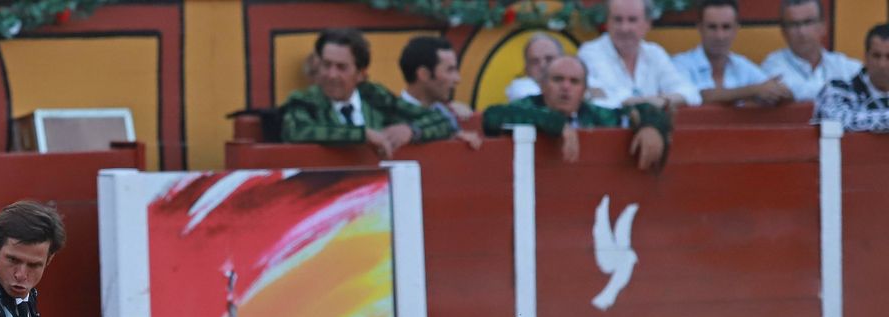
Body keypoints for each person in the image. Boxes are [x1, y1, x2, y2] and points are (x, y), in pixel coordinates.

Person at [278, 28, 457, 155]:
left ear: (361, 74)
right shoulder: (304, 101)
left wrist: (411, 130)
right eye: (326, 65)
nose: (331, 75)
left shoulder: (374, 97)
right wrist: (362, 135)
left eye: (342, 67)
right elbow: (297, 131)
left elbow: (441, 120)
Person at [482, 56, 670, 171]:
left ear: (585, 90)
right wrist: (556, 123)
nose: (566, 87)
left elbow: (641, 110)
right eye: (558, 79)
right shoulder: (528, 105)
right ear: (542, 84)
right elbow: (492, 116)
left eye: (574, 82)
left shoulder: (592, 113)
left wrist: (651, 126)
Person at [578, 0, 698, 109]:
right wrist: (650, 102)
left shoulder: (655, 53)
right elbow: (605, 97)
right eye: (618, 20)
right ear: (607, 22)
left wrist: (663, 100)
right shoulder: (590, 53)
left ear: (647, 24)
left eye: (632, 20)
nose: (624, 28)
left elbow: (691, 93)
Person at [673, 0, 787, 106]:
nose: (719, 36)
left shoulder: (743, 66)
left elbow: (776, 91)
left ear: (736, 29)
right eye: (712, 27)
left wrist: (775, 91)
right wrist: (753, 91)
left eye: (726, 27)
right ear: (700, 28)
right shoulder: (680, 64)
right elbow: (697, 96)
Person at [761, 0, 862, 103]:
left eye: (808, 22)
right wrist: (845, 91)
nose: (802, 32)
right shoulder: (773, 64)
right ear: (783, 30)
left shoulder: (843, 65)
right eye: (794, 24)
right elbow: (783, 91)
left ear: (823, 26)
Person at [398, 36, 482, 149]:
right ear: (424, 74)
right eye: (449, 70)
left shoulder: (449, 112)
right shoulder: (391, 115)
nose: (458, 79)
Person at [813, 24, 889, 133]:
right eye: (876, 56)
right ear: (866, 57)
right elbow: (836, 120)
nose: (882, 65)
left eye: (888, 57)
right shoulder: (837, 90)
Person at [507, 34, 561, 102]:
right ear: (527, 69)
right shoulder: (522, 92)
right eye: (535, 61)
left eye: (549, 59)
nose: (543, 65)